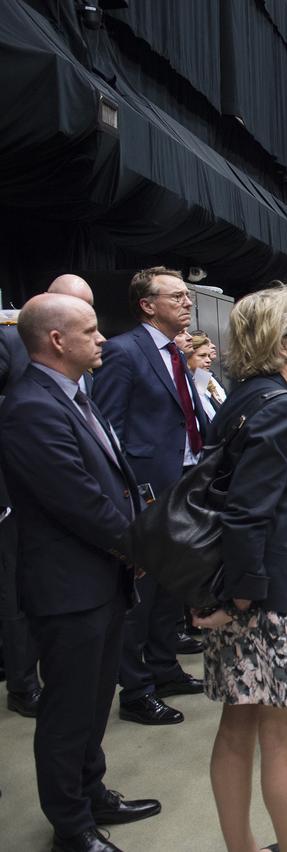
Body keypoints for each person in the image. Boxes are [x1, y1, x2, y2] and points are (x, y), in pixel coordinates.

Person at [0, 293, 159, 852]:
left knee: (94, 702)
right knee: (68, 712)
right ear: (57, 341)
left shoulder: (71, 395)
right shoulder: (30, 407)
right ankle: (71, 825)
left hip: (100, 577)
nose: (101, 340)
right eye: (90, 332)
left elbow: (112, 482)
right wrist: (136, 547)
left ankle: (92, 793)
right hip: (68, 587)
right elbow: (79, 501)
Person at [191, 284, 287, 852]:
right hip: (271, 599)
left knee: (237, 727)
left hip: (246, 592)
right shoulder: (281, 407)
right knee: (282, 741)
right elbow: (249, 511)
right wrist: (243, 599)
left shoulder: (245, 398)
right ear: (280, 344)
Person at [95, 267, 209, 725]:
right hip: (145, 491)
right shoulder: (124, 352)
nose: (187, 302)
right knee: (140, 593)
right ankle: (135, 688)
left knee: (170, 583)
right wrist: (126, 495)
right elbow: (108, 431)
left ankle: (164, 668)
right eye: (177, 296)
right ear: (147, 304)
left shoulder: (176, 355)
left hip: (182, 482)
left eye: (187, 295)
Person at [0, 275, 98, 720]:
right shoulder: (12, 347)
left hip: (76, 486)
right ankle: (24, 683)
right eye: (85, 322)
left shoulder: (86, 361)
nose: (97, 335)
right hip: (22, 492)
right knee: (20, 586)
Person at [186, 330, 225, 420]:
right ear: (187, 356)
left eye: (208, 355)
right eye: (202, 355)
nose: (208, 360)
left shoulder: (202, 377)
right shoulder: (184, 384)